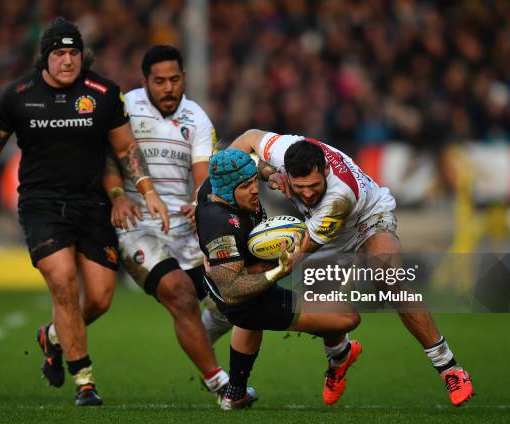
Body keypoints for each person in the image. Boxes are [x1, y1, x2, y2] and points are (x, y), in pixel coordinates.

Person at [0, 17, 169, 406]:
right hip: (41, 204)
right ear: (46, 57)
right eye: (59, 53)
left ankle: (52, 336)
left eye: (73, 53)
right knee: (63, 280)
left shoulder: (103, 92)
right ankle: (84, 381)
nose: (68, 61)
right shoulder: (17, 95)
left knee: (102, 298)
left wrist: (147, 190)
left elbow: (125, 149)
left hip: (92, 204)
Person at [229, 129, 474, 407]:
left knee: (389, 281)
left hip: (366, 221)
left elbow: (298, 255)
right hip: (319, 229)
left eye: (313, 185)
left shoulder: (339, 195)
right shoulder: (284, 149)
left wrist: (259, 277)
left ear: (325, 169)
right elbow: (247, 139)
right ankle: (340, 357)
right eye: (300, 187)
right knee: (325, 308)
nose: (307, 193)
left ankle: (450, 368)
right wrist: (265, 173)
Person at [102, 45, 232, 400]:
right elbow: (109, 158)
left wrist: (197, 202)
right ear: (144, 81)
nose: (168, 88)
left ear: (184, 78)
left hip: (183, 227)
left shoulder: (198, 118)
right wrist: (118, 195)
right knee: (180, 294)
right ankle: (221, 385)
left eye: (174, 79)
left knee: (229, 306)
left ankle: (54, 335)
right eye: (159, 81)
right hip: (136, 223)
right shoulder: (125, 107)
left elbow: (202, 175)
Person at [195, 148, 362, 411]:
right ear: (228, 191)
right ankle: (340, 355)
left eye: (253, 182)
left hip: (248, 283)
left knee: (253, 319)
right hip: (242, 299)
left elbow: (252, 163)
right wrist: (276, 272)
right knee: (347, 317)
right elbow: (233, 290)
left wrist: (270, 174)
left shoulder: (219, 182)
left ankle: (235, 394)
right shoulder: (220, 227)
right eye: (246, 186)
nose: (255, 190)